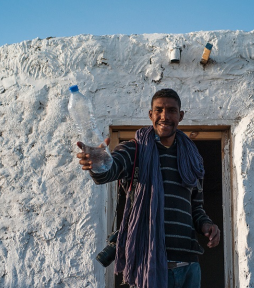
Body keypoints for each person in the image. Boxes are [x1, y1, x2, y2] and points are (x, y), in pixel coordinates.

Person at [77, 88, 220, 288]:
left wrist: (207, 226)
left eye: (171, 110)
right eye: (159, 110)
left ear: (180, 115)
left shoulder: (193, 159)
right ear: (150, 114)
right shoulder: (134, 150)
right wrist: (98, 163)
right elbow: (110, 170)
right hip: (150, 264)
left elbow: (196, 208)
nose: (164, 116)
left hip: (189, 267)